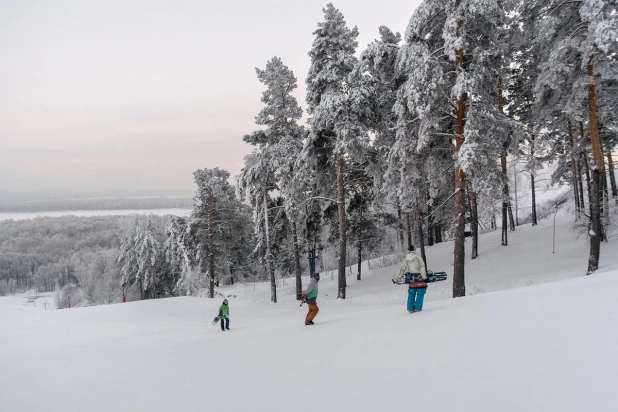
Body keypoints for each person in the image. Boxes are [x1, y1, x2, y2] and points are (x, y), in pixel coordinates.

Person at [392, 245, 428, 313]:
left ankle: (410, 309)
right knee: (421, 292)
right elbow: (422, 269)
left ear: (409, 250)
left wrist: (395, 278)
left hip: (411, 279)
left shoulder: (406, 259)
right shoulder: (418, 258)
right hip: (419, 278)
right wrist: (424, 278)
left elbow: (401, 269)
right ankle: (418, 309)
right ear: (414, 250)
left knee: (411, 293)